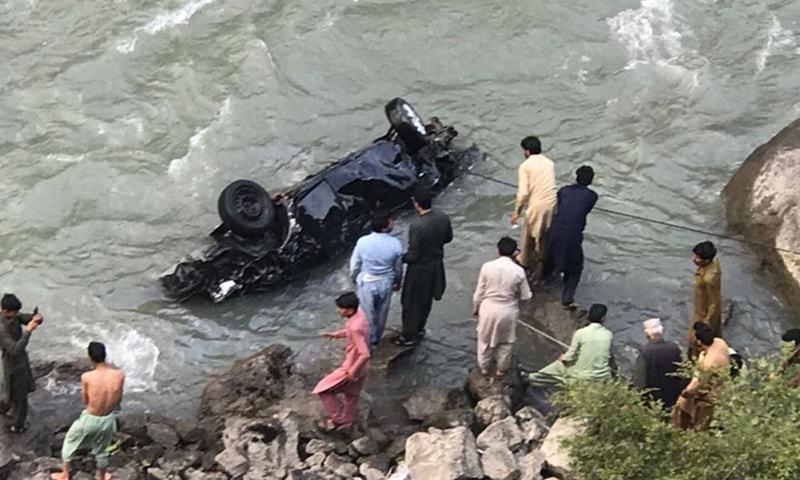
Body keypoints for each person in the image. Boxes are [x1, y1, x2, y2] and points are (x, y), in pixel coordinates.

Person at [52, 342, 125, 480]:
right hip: (108, 419)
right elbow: (119, 397)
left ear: (90, 358)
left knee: (70, 440)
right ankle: (101, 475)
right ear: (105, 355)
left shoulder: (87, 377)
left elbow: (85, 400)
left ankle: (65, 474)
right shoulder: (119, 375)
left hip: (91, 418)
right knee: (102, 449)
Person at [394, 186, 453, 346]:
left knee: (411, 302)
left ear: (415, 203)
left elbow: (413, 255)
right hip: (436, 266)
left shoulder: (417, 226)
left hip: (419, 269)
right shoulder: (442, 217)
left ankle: (408, 336)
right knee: (426, 301)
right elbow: (449, 238)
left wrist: (398, 258)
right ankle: (419, 329)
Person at [473, 237, 532, 379]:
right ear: (515, 253)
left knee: (484, 340)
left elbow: (478, 293)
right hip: (508, 310)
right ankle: (501, 370)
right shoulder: (518, 271)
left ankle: (484, 369)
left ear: (498, 250)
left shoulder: (487, 267)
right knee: (506, 342)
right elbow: (526, 296)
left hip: (488, 308)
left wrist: (476, 309)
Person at [542, 165, 598, 309]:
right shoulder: (592, 196)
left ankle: (545, 280)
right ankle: (567, 298)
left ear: (576, 177)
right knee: (575, 267)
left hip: (553, 232)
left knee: (549, 258)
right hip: (572, 235)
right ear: (591, 180)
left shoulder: (563, 191)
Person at [313, 292, 370, 432]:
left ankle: (337, 419)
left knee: (323, 390)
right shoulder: (360, 317)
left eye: (341, 308)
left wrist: (352, 370)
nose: (338, 311)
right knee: (351, 395)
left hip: (352, 366)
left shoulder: (355, 327)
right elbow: (353, 332)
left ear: (350, 310)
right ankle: (347, 421)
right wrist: (337, 334)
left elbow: (365, 353)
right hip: (364, 367)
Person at [350, 210, 403, 346]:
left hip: (367, 281)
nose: (393, 223)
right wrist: (398, 282)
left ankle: (365, 340)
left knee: (366, 314)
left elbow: (355, 264)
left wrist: (353, 278)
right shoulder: (395, 244)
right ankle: (375, 340)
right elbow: (398, 268)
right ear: (385, 227)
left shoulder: (363, 242)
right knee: (381, 313)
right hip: (386, 282)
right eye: (391, 221)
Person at [528, 304, 614, 387]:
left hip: (582, 376)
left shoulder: (580, 333)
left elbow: (571, 356)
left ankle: (532, 378)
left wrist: (563, 358)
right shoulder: (608, 335)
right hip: (602, 377)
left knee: (558, 366)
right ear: (603, 319)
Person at [672, 323, 730, 431]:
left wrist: (685, 394)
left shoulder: (709, 363)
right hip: (724, 386)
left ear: (699, 341)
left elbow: (696, 385)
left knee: (689, 411)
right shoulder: (720, 342)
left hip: (711, 395)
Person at [510, 136, 557, 270]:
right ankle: (543, 258)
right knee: (544, 235)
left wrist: (517, 212)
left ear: (527, 151)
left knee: (527, 236)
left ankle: (524, 262)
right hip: (552, 204)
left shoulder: (525, 166)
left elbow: (523, 192)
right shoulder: (549, 163)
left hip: (537, 205)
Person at [0, 293, 43, 433]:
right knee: (20, 396)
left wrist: (35, 318)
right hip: (12, 363)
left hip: (19, 361)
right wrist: (28, 332)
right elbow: (14, 349)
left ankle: (5, 408)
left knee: (10, 391)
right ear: (5, 311)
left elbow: (24, 318)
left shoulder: (12, 316)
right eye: (14, 312)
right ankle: (18, 425)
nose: (16, 314)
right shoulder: (2, 328)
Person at [631, 318, 683, 410]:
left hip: (653, 399)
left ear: (647, 334)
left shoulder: (645, 352)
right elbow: (682, 373)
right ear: (661, 331)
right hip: (673, 395)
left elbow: (639, 380)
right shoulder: (674, 348)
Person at [688, 241, 722, 359]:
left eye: (698, 258)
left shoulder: (709, 279)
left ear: (707, 260)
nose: (694, 259)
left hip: (702, 313)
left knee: (694, 341)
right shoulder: (712, 264)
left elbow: (714, 302)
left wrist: (706, 323)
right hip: (699, 305)